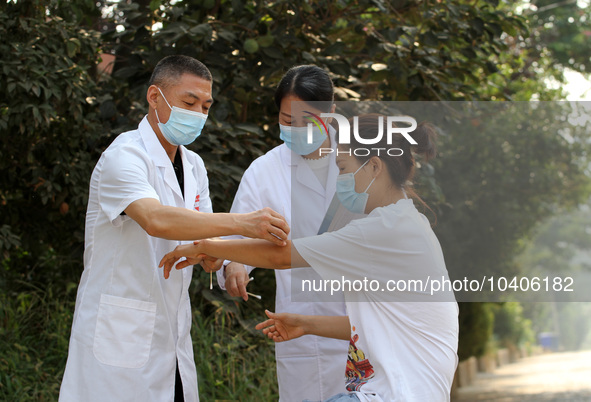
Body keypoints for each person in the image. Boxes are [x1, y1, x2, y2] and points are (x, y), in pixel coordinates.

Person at [160, 114, 459, 401]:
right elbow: (378, 324)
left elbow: (282, 256)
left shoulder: (384, 229)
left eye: (343, 168)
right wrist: (306, 323)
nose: (340, 179)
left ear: (374, 167)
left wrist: (207, 246)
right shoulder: (405, 222)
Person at [59, 55, 289, 402]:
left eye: (206, 106)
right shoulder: (124, 156)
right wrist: (244, 223)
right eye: (189, 102)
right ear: (155, 97)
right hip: (120, 334)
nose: (198, 113)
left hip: (172, 336)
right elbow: (157, 219)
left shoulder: (194, 165)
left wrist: (220, 259)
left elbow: (203, 236)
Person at [216, 65, 351, 401]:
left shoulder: (365, 161)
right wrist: (234, 267)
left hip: (361, 325)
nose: (297, 130)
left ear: (330, 114)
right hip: (303, 338)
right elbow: (236, 236)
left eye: (308, 122)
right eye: (288, 121)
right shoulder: (265, 170)